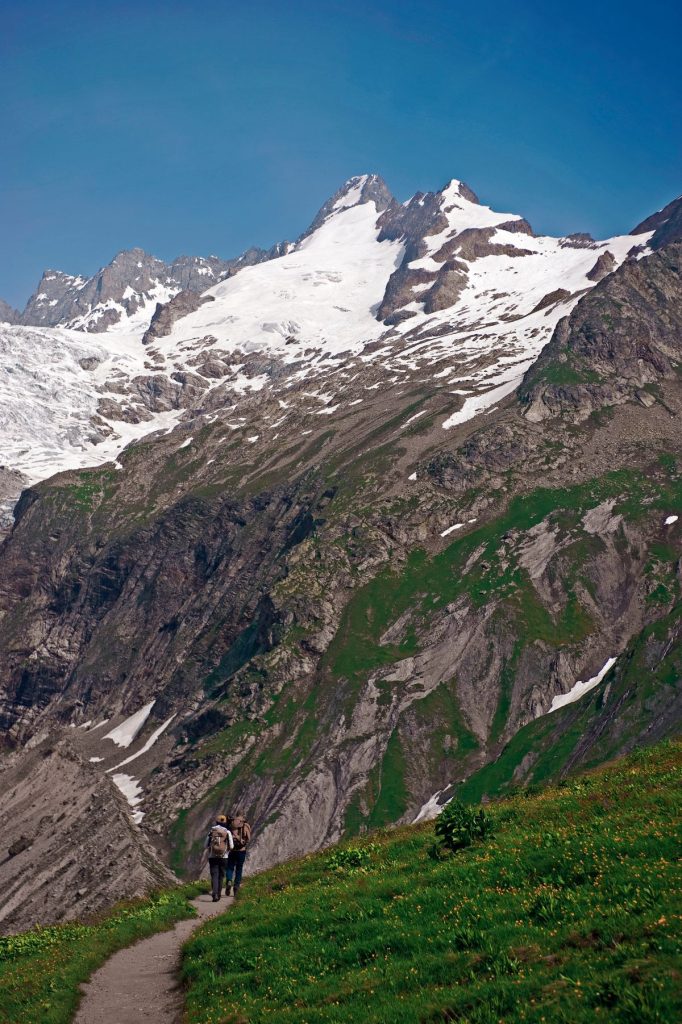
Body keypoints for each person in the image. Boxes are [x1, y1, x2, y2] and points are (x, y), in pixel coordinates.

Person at [205, 814, 233, 901]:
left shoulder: (212, 831)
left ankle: (214, 893)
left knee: (214, 875)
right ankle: (219, 894)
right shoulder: (227, 832)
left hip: (212, 857)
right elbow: (231, 846)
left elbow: (205, 845)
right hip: (224, 857)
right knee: (221, 876)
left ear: (216, 822)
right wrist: (226, 850)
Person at [225, 811, 251, 896]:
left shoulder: (232, 823)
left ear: (236, 814)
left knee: (230, 867)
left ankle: (229, 880)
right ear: (242, 815)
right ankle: (236, 887)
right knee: (239, 869)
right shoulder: (245, 825)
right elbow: (248, 838)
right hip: (241, 850)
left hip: (232, 850)